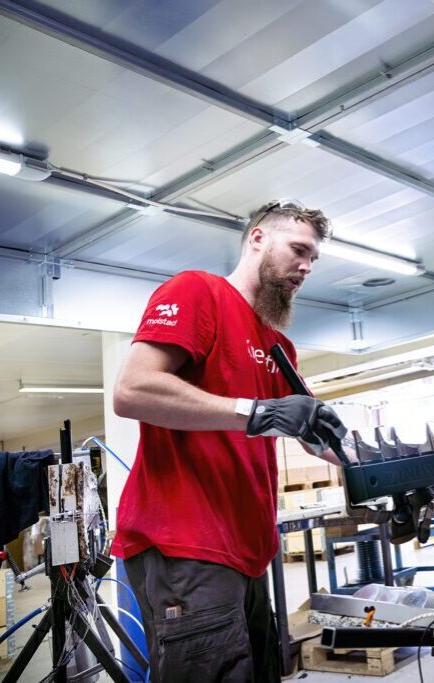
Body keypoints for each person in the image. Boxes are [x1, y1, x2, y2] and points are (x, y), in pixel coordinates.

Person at [111, 200, 347, 682]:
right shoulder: (199, 291)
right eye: (298, 250)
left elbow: (313, 435)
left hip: (247, 550)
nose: (305, 266)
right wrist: (256, 412)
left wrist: (377, 466)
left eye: (313, 259)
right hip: (186, 542)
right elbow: (132, 390)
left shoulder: (278, 347)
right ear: (258, 238)